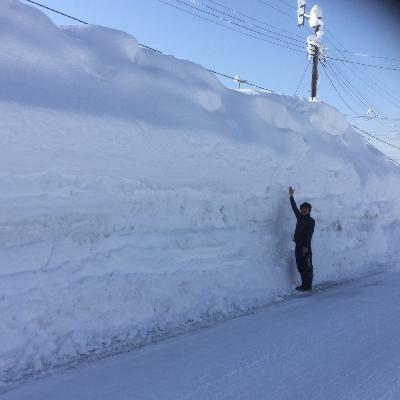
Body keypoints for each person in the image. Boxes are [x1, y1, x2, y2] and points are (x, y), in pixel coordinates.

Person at [288, 186, 315, 292]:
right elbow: (294, 207)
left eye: (306, 209)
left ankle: (308, 285)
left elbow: (309, 234)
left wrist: (306, 247)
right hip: (298, 245)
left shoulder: (311, 221)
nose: (303, 210)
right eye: (302, 209)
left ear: (309, 210)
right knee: (300, 266)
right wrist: (291, 196)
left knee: (307, 266)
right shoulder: (299, 217)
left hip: (305, 247)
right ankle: (304, 285)